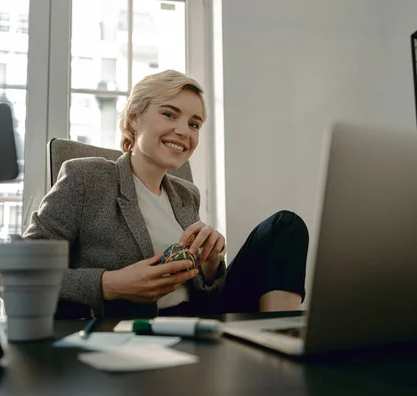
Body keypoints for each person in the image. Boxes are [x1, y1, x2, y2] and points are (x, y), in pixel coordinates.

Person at [21, 70, 308, 319]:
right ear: (134, 120)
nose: (184, 130)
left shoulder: (186, 195)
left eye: (194, 124)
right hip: (136, 329)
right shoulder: (87, 177)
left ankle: (279, 337)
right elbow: (21, 276)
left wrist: (210, 263)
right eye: (169, 114)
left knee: (285, 226)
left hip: (200, 320)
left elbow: (206, 294)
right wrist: (109, 284)